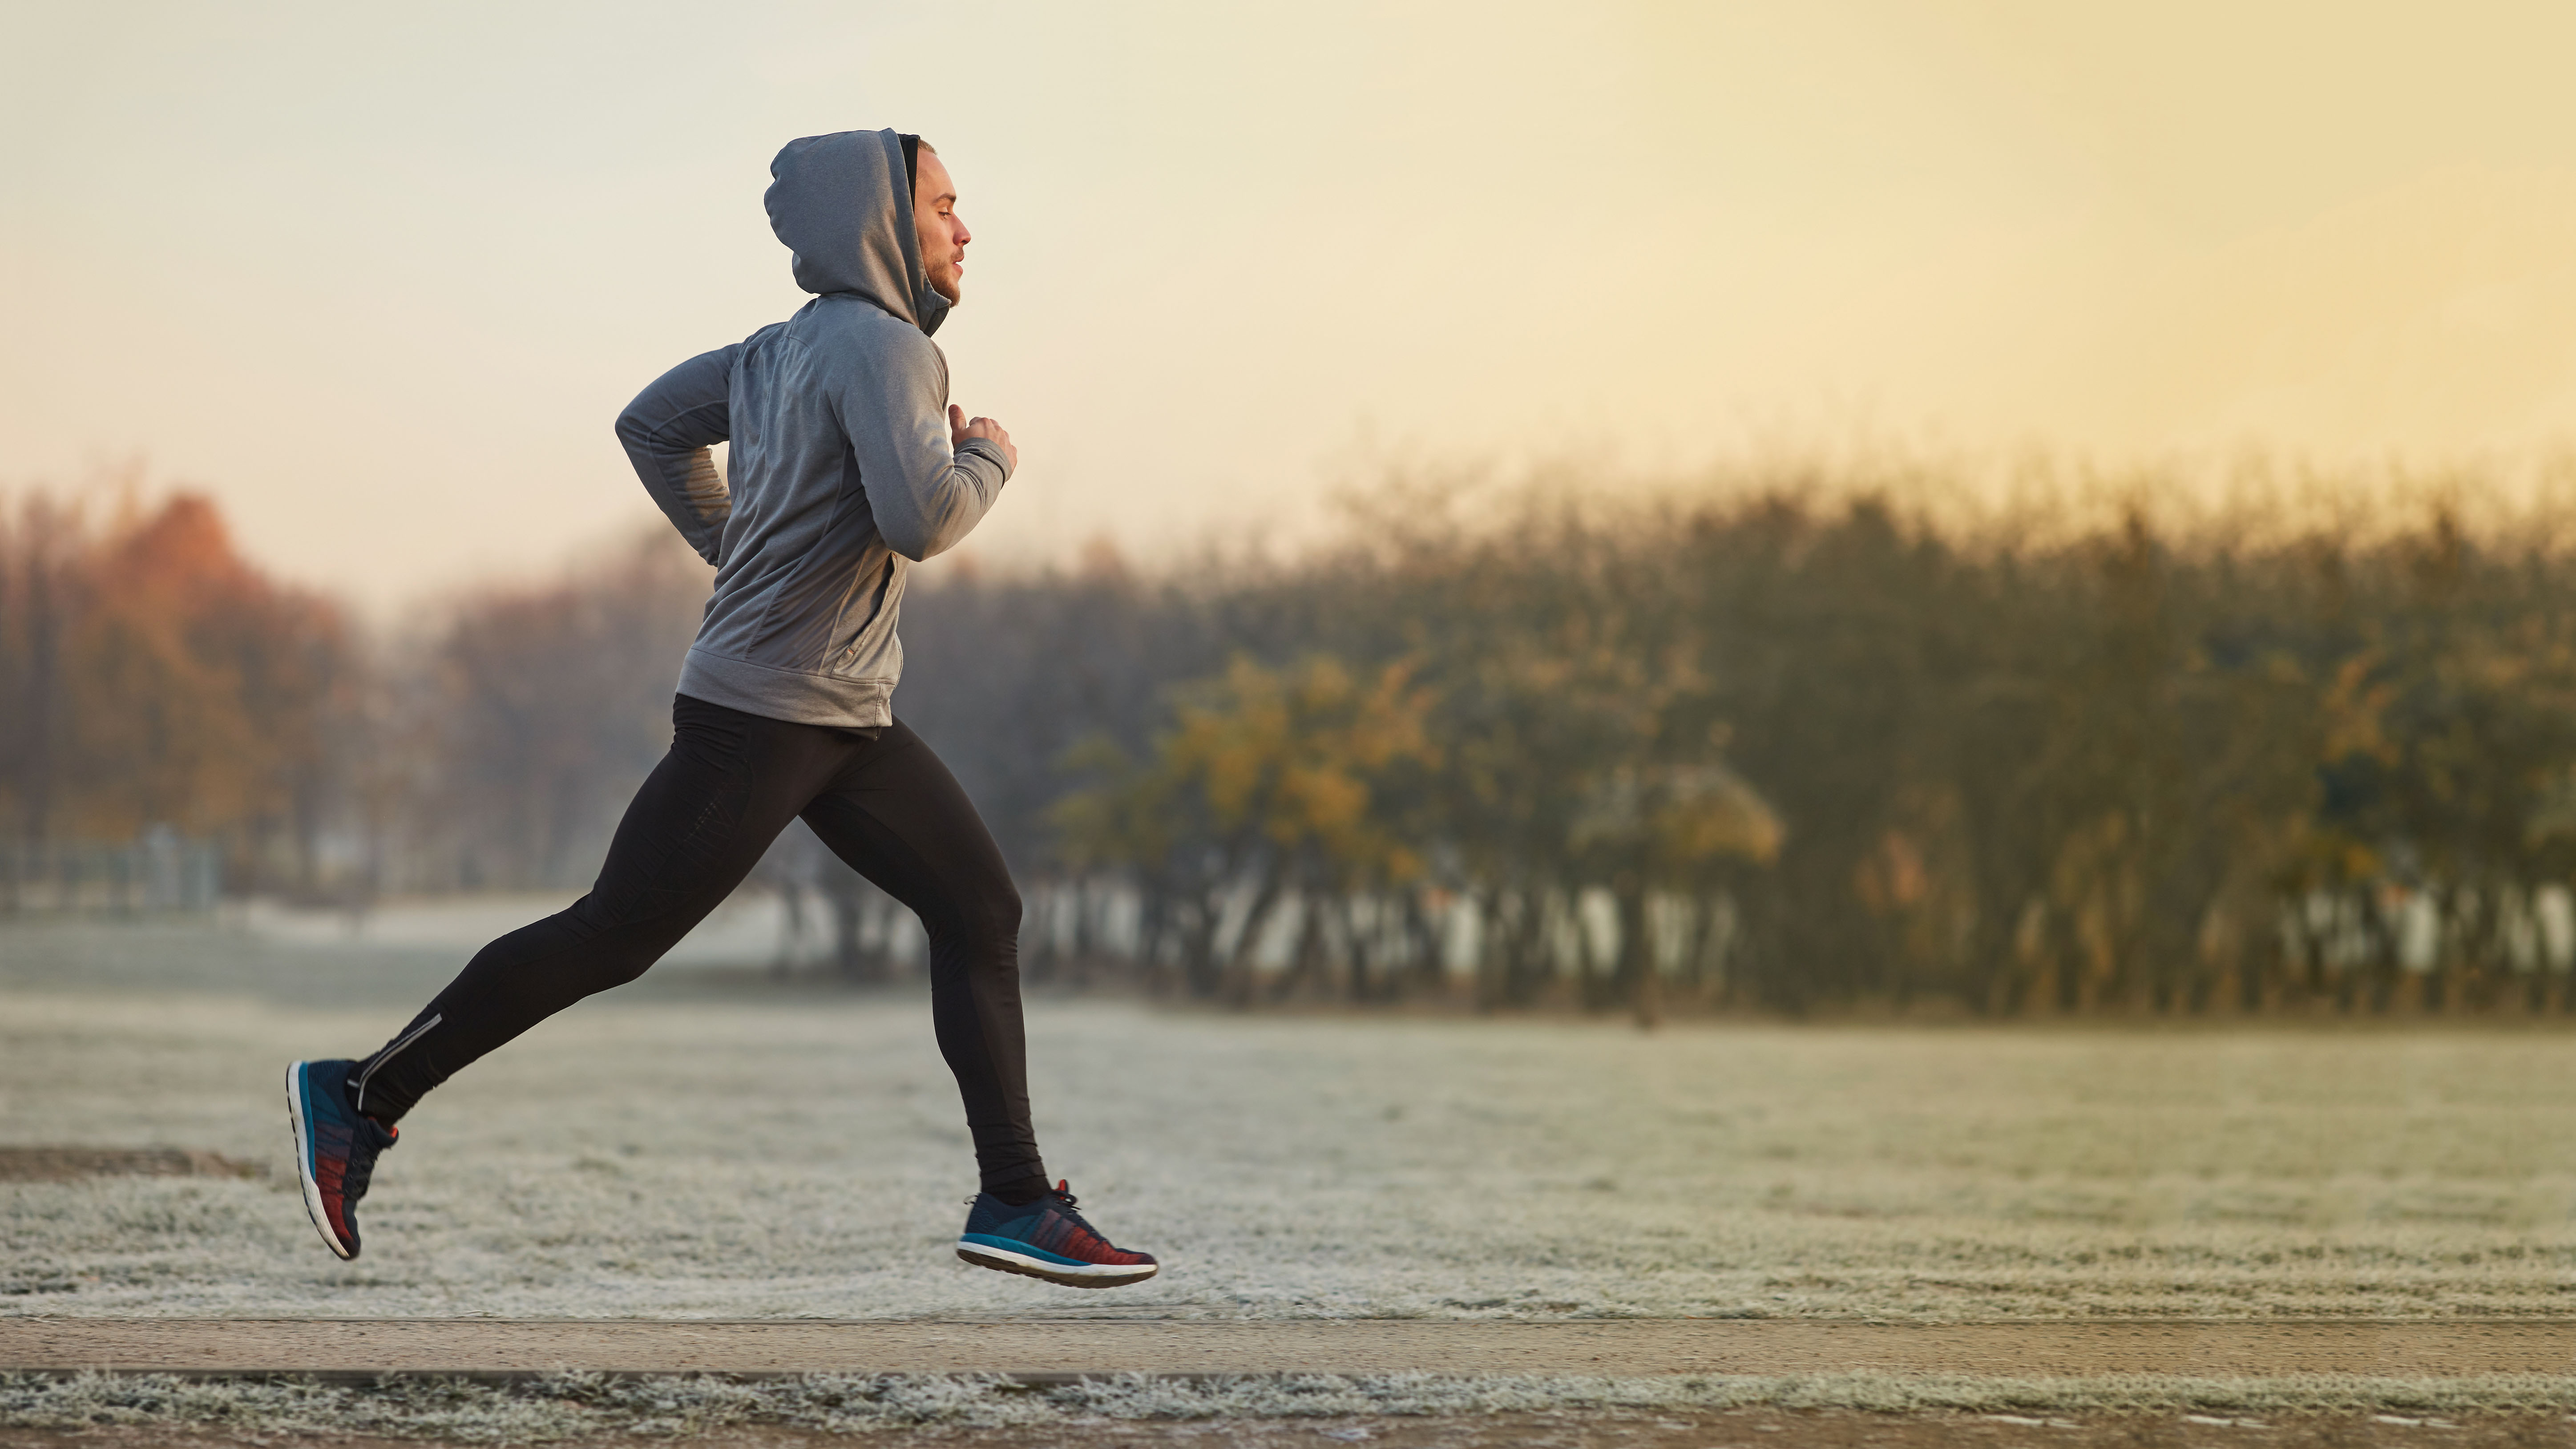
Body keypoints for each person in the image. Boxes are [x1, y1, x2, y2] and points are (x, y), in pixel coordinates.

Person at [284, 129, 1157, 1290]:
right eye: (946, 204)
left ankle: (1014, 1198)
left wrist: (733, 544)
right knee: (613, 932)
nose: (964, 227)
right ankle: (357, 1095)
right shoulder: (892, 353)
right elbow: (923, 519)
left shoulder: (779, 350)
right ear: (886, 221)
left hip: (842, 715)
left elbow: (650, 422)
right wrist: (989, 458)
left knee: (980, 906)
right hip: (770, 716)